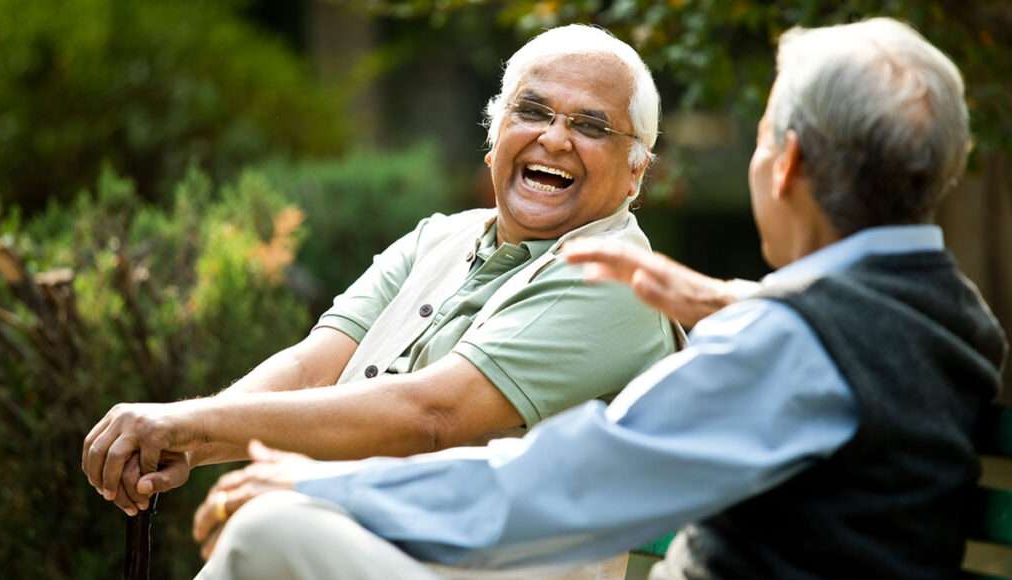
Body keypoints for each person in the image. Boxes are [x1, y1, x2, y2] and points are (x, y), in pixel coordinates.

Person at [188, 17, 1007, 580]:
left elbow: (560, 482)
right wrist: (749, 303)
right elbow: (846, 354)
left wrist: (315, 484)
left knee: (272, 531)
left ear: (785, 164)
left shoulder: (794, 345)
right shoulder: (952, 318)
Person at [81, 23, 679, 549]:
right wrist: (186, 442)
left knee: (269, 530)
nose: (554, 138)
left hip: (501, 561)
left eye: (590, 126)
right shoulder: (437, 238)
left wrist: (191, 427)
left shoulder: (616, 277)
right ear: (495, 135)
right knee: (266, 525)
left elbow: (433, 415)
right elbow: (313, 366)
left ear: (636, 171)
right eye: (532, 111)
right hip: (379, 536)